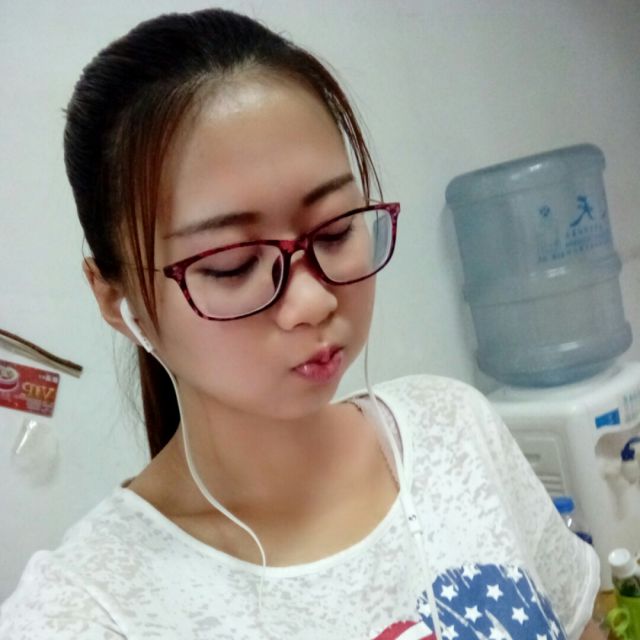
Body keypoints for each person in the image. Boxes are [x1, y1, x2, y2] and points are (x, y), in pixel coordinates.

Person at [0, 8, 602, 640]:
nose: (312, 301)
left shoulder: (453, 429)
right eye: (232, 265)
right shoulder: (86, 612)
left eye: (336, 230)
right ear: (117, 300)